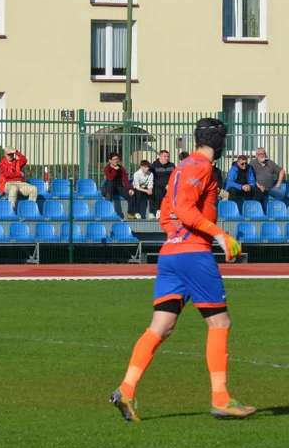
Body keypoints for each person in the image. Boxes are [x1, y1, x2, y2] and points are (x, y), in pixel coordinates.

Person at [110, 118, 255, 422]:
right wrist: (219, 234)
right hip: (193, 254)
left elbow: (167, 213)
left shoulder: (182, 166)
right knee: (220, 324)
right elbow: (185, 209)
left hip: (171, 253)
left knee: (161, 327)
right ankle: (221, 399)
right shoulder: (202, 167)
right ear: (220, 142)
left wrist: (178, 234)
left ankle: (126, 389)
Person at [102, 152, 133, 219]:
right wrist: (114, 170)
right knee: (110, 182)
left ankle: (130, 213)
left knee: (130, 194)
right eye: (114, 159)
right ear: (110, 160)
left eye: (117, 159)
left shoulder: (121, 168)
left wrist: (130, 188)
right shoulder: (107, 168)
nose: (116, 160)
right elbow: (110, 178)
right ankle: (108, 210)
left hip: (119, 186)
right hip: (110, 188)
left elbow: (125, 179)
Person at [150, 150, 175, 218]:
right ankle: (159, 211)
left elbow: (174, 177)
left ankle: (173, 211)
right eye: (165, 156)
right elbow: (152, 178)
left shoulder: (172, 165)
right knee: (158, 190)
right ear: (160, 156)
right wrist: (164, 185)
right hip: (158, 185)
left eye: (168, 156)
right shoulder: (154, 166)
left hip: (170, 185)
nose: (167, 158)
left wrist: (169, 184)